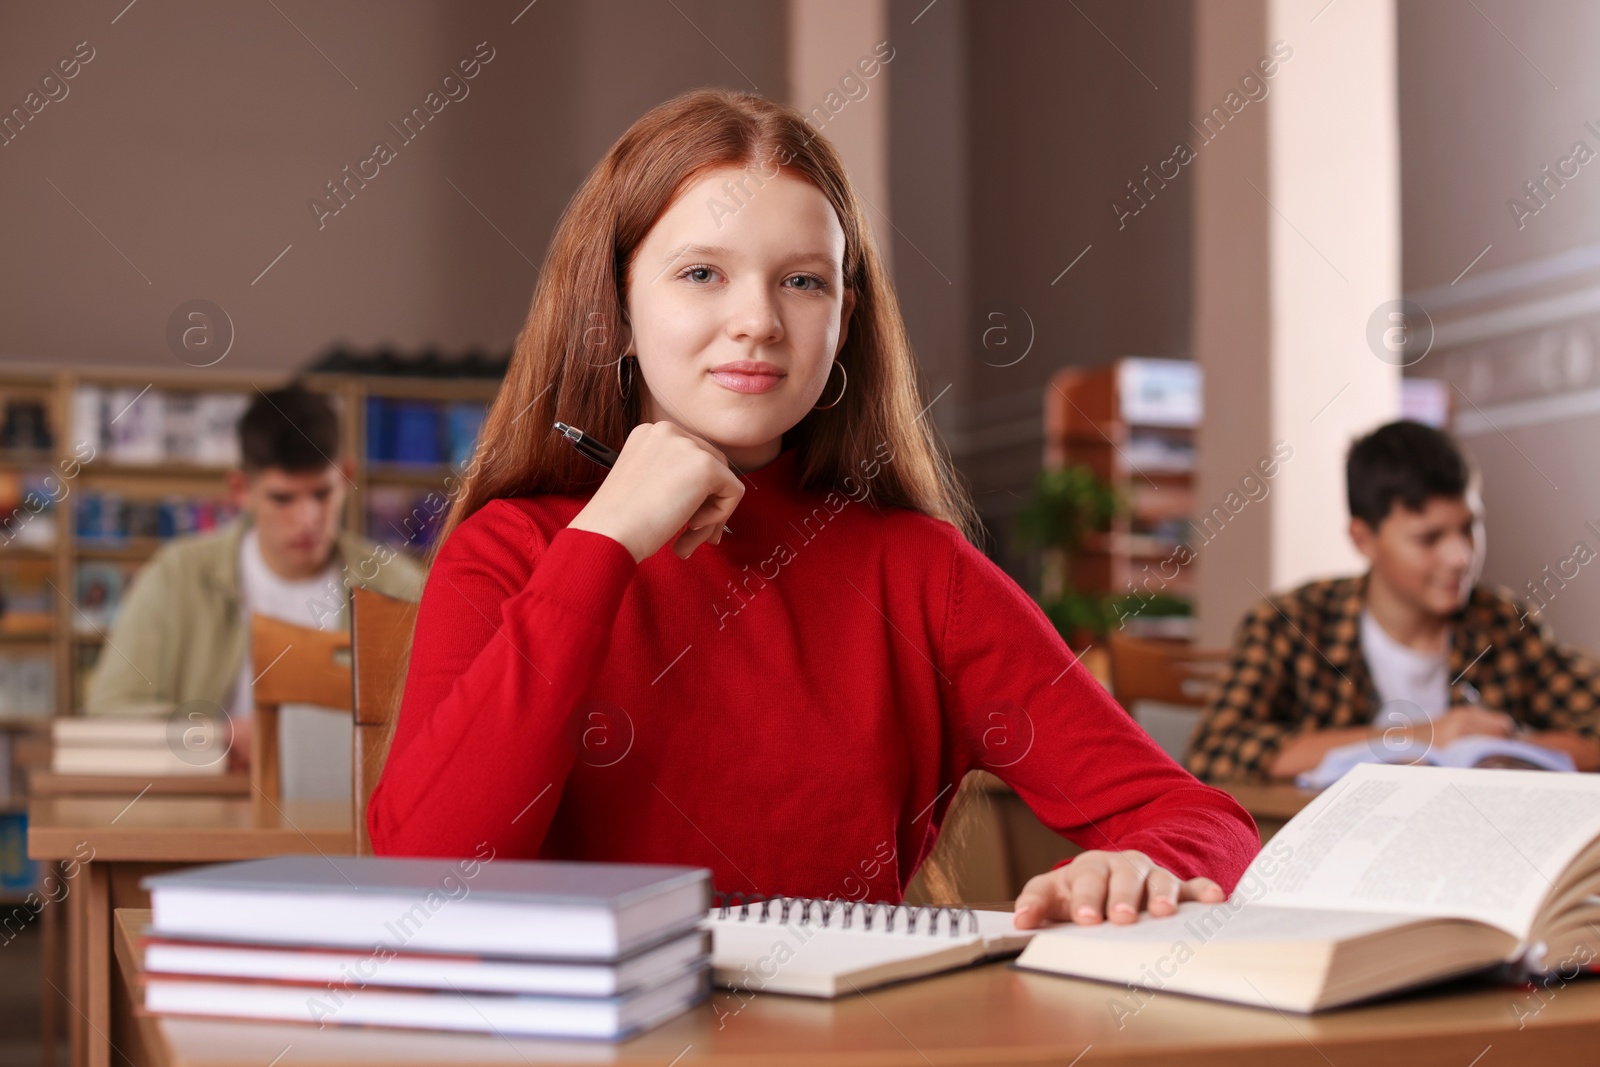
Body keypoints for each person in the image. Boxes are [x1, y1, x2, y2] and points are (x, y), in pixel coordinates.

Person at [367, 88, 1258, 928]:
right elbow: (426, 875)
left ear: (844, 322)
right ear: (618, 312)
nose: (757, 320)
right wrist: (604, 540)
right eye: (703, 272)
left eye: (803, 282)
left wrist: (1141, 861)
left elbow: (1193, 814)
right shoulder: (516, 548)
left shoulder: (918, 572)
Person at [1186, 419, 1600, 783]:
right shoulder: (1288, 623)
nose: (1460, 557)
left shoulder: (1505, 624)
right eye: (1429, 538)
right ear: (1363, 539)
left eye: (1469, 528)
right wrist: (1424, 735)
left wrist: (1508, 746)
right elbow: (1214, 750)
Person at [85, 383, 424, 772]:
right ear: (239, 489)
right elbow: (109, 712)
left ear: (346, 476)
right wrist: (217, 736)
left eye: (322, 493)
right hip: (212, 812)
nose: (308, 519)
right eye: (283, 498)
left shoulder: (400, 588)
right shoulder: (176, 576)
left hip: (353, 816)